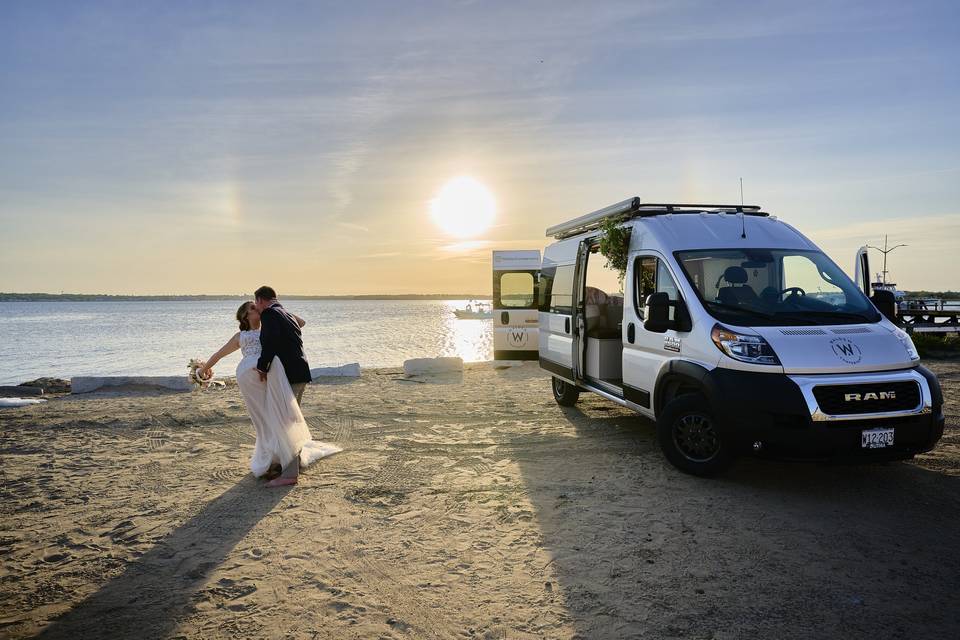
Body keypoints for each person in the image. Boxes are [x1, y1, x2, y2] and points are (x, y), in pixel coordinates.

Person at [199, 293, 340, 487]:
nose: (257, 308)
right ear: (245, 317)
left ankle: (284, 459)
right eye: (252, 308)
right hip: (250, 381)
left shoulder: (271, 326)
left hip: (271, 376)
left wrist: (277, 309)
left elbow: (301, 322)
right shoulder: (240, 336)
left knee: (278, 415)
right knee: (264, 419)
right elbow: (219, 354)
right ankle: (274, 460)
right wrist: (203, 370)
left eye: (256, 305)